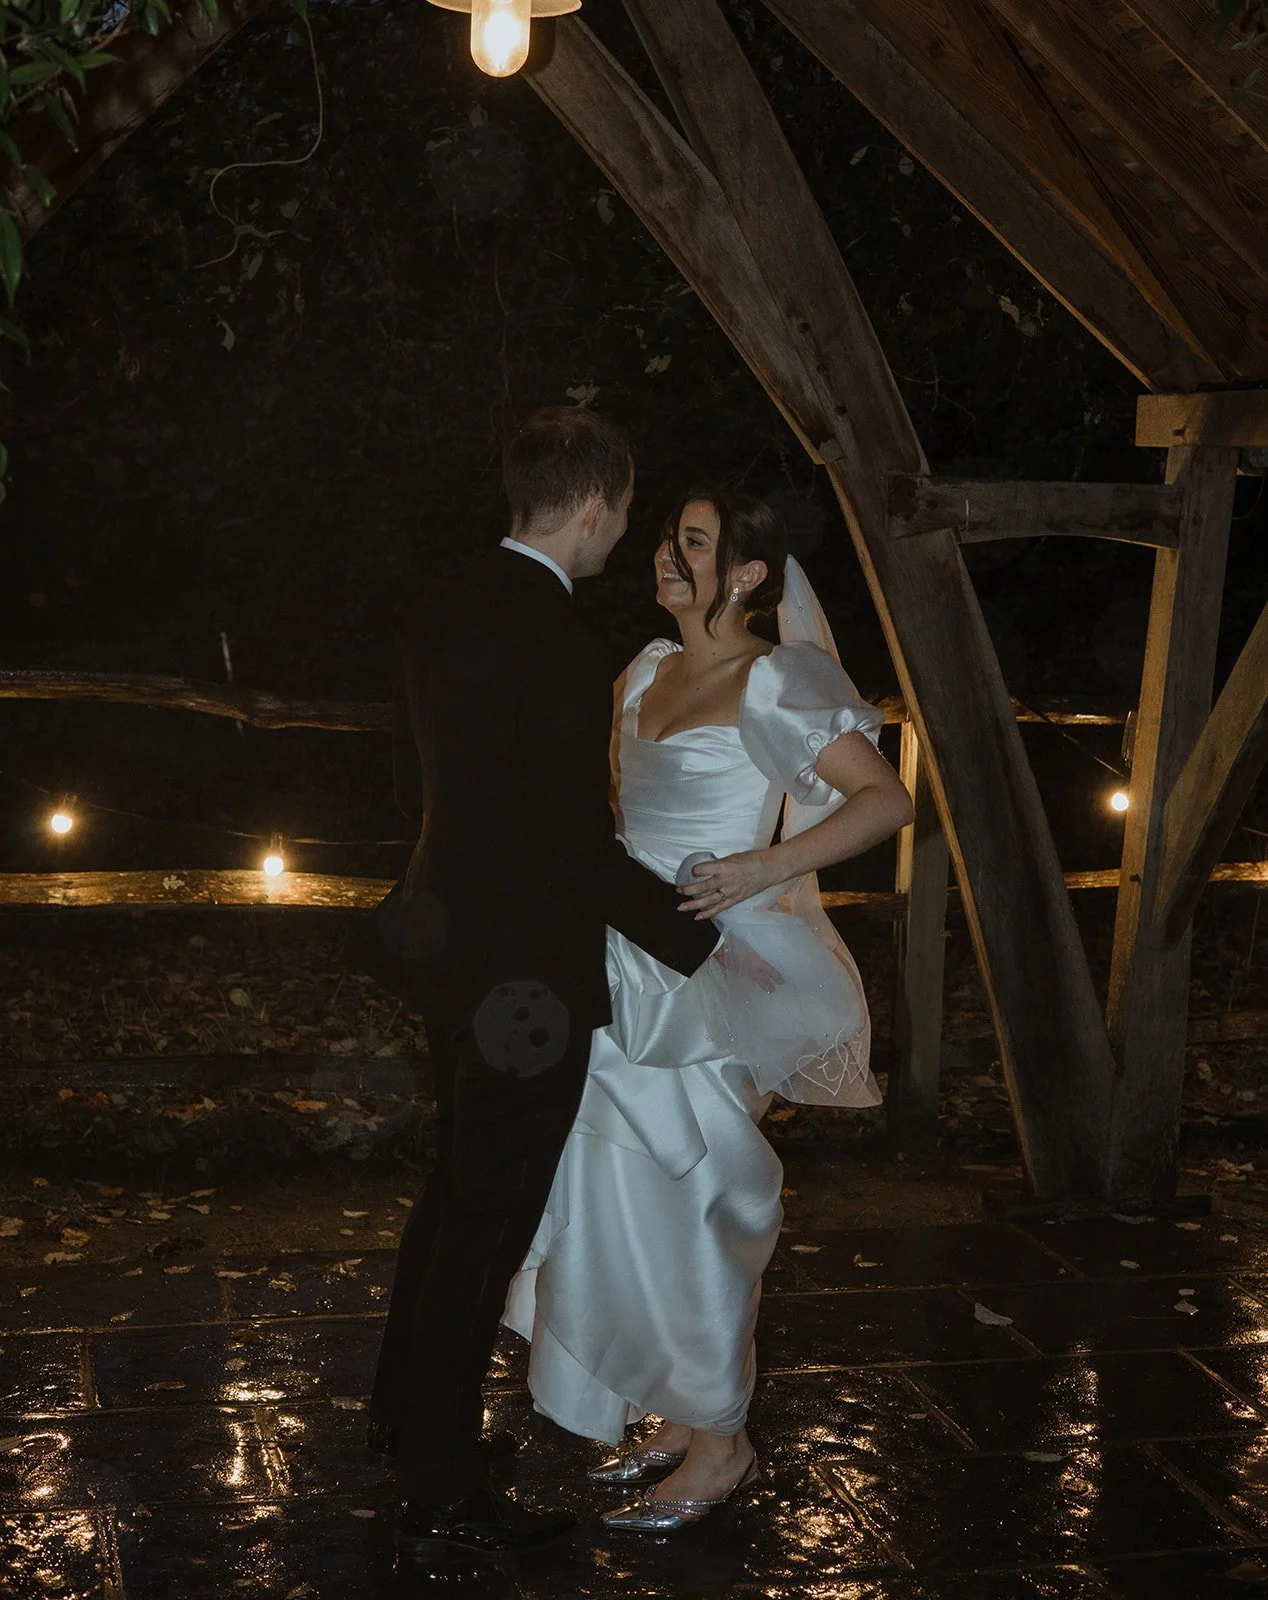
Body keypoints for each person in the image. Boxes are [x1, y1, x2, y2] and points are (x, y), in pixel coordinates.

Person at [503, 489, 914, 1532]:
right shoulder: (643, 668)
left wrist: (762, 867)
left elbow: (883, 802)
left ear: (744, 574)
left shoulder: (778, 679)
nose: (666, 557)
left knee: (704, 1197)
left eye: (692, 544)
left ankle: (725, 1439)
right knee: (613, 1191)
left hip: (721, 969)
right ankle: (679, 1408)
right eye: (667, 539)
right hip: (622, 956)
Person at [361, 408, 718, 1568]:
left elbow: (433, 788)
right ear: (595, 501)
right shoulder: (560, 644)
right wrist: (699, 936)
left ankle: (403, 1423)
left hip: (445, 946)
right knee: (485, 1214)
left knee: (451, 1190)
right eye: (624, 509)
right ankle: (441, 1486)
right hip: (528, 989)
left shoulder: (436, 603)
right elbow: (572, 845)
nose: (623, 530)